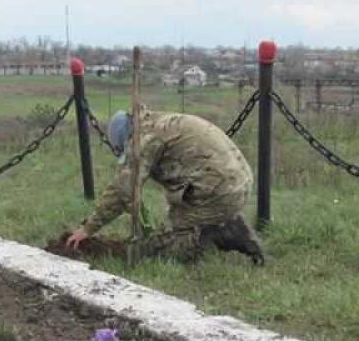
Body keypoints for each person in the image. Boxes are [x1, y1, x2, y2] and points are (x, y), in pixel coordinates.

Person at [65, 109, 265, 264]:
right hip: (238, 184)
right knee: (178, 212)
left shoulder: (144, 140)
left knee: (158, 245)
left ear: (126, 138)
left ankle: (215, 236)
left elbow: (123, 188)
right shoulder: (157, 122)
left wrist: (89, 228)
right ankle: (226, 222)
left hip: (218, 191)